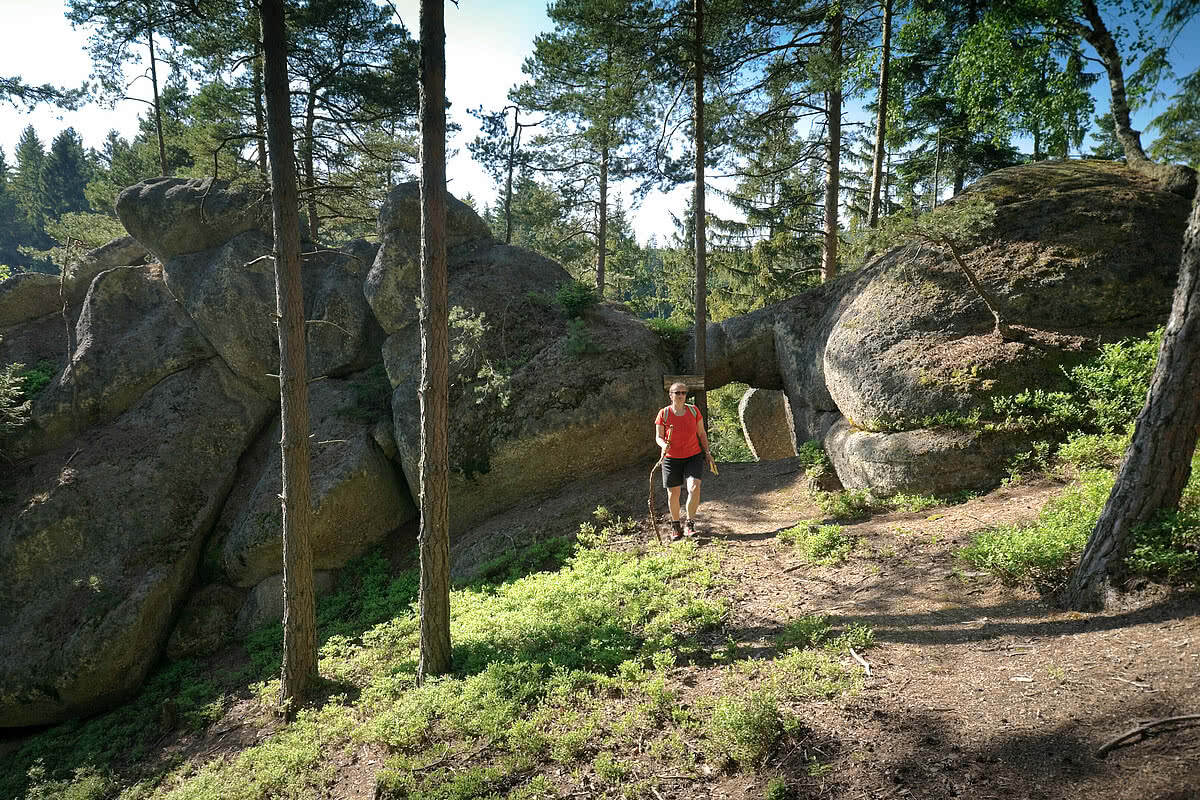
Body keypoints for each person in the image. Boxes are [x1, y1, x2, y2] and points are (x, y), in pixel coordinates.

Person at [655, 382, 716, 541]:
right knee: (673, 493)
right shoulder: (664, 414)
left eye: (683, 392)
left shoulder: (694, 411)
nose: (680, 395)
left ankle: (689, 524)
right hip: (671, 459)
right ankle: (676, 526)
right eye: (677, 393)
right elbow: (659, 437)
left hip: (692, 456)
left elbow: (702, 433)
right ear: (671, 395)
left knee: (694, 487)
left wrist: (707, 453)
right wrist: (663, 445)